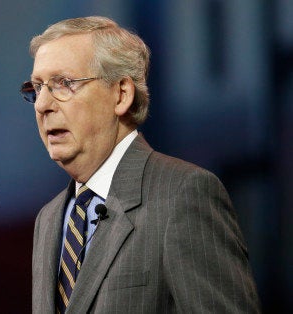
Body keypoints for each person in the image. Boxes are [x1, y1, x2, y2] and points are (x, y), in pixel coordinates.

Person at [21, 16, 261, 313]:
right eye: (37, 88)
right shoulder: (49, 218)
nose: (43, 105)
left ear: (121, 94)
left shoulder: (182, 194)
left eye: (63, 84)